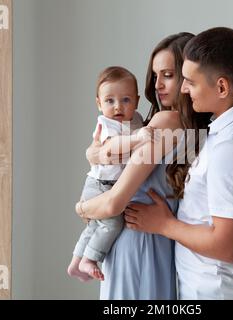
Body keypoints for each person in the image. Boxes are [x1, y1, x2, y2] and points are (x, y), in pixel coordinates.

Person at [124, 27, 233, 300]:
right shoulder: (224, 130)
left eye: (190, 82)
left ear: (221, 87)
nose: (183, 88)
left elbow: (228, 246)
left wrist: (163, 225)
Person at [75, 32, 212, 299]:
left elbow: (114, 203)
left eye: (168, 75)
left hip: (136, 239)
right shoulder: (198, 130)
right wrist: (97, 153)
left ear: (187, 75)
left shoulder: (163, 122)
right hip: (162, 244)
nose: (158, 84)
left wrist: (81, 207)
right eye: (155, 75)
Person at [67, 66, 154, 281]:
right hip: (100, 185)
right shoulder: (106, 124)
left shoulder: (136, 120)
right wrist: (138, 138)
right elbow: (112, 146)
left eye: (126, 100)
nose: (118, 107)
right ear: (99, 103)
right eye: (109, 101)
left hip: (108, 184)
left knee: (97, 224)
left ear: (136, 100)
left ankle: (76, 261)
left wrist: (138, 132)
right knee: (112, 223)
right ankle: (90, 259)